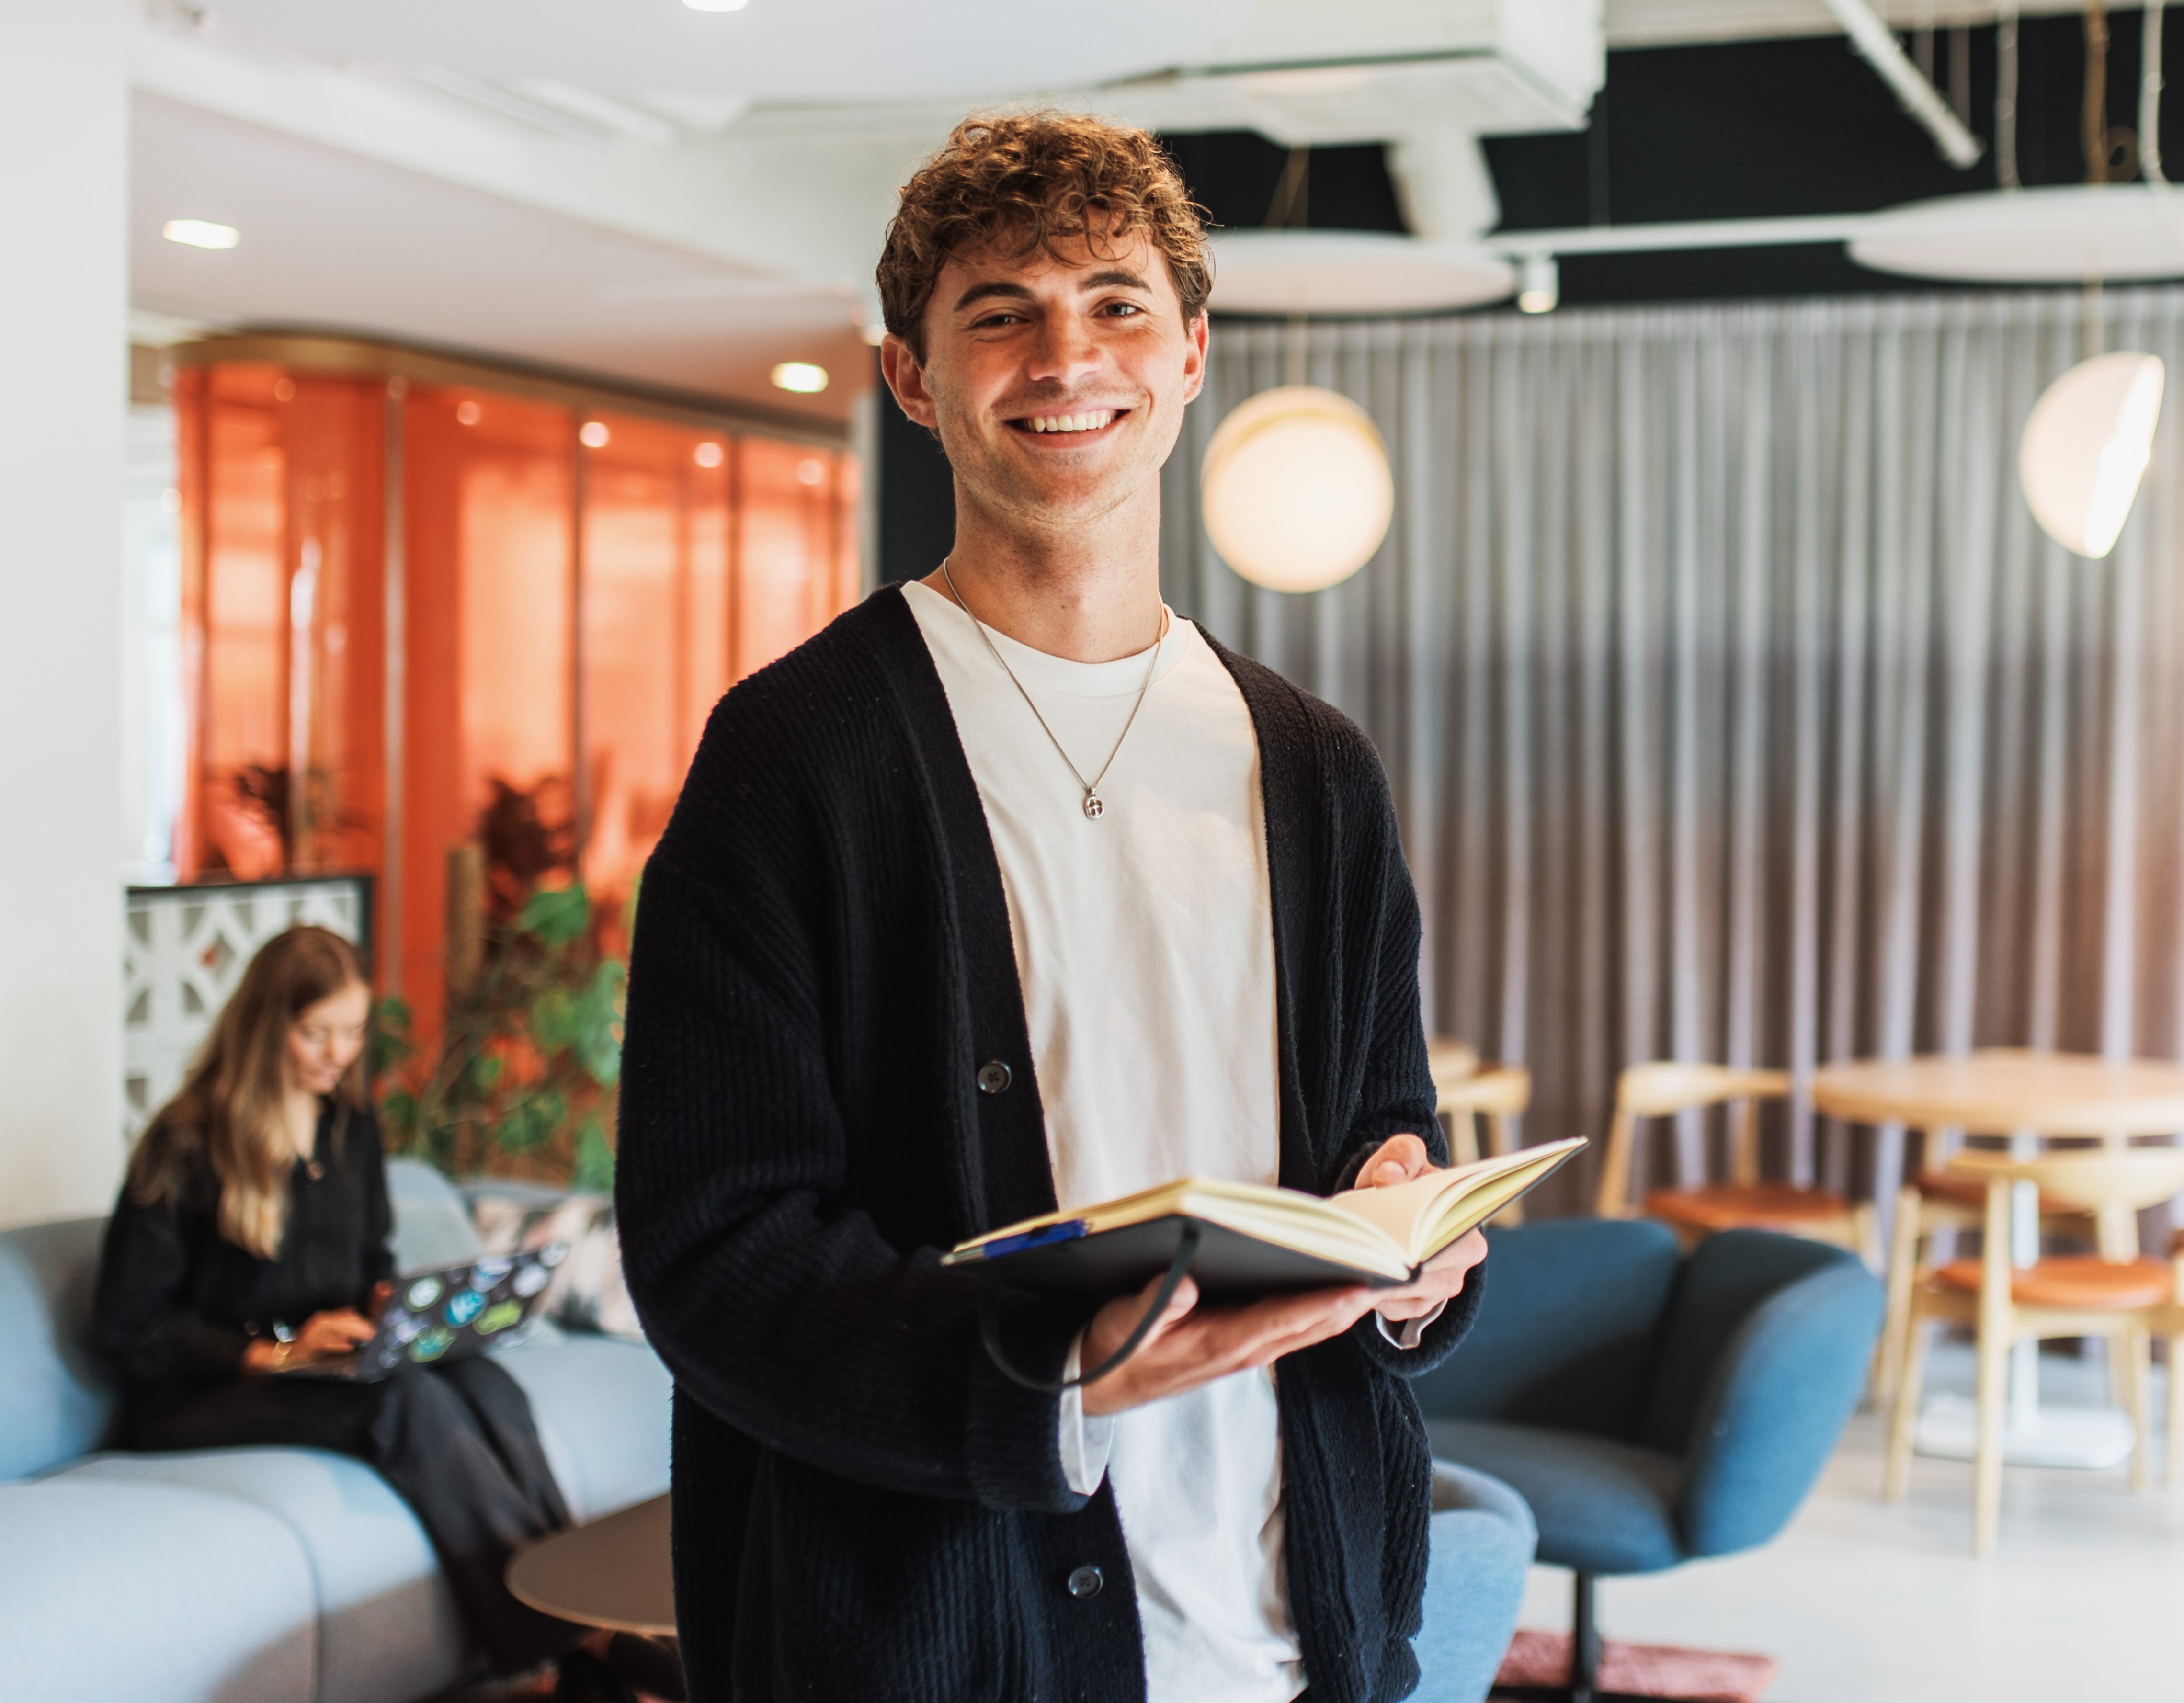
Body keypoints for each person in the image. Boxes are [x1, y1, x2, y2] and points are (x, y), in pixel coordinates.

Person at [615, 111, 1489, 1703]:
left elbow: (1385, 1135)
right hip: (941, 1642)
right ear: (911, 376)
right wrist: (1046, 1375)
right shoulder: (793, 756)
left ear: (1191, 354)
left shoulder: (1313, 764)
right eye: (998, 311)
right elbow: (713, 1246)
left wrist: (1417, 1247)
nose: (1064, 353)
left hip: (1302, 1631)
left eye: (1115, 302)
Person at [94, 925, 636, 1703]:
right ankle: (571, 1638)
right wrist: (274, 1353)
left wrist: (392, 1310)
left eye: (349, 1034)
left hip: (318, 1358)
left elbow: (370, 1257)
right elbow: (128, 1328)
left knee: (480, 1379)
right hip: (194, 1394)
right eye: (315, 1034)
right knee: (397, 1401)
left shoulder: (348, 1126)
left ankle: (579, 1607)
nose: (337, 1055)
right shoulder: (185, 1145)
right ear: (263, 1028)